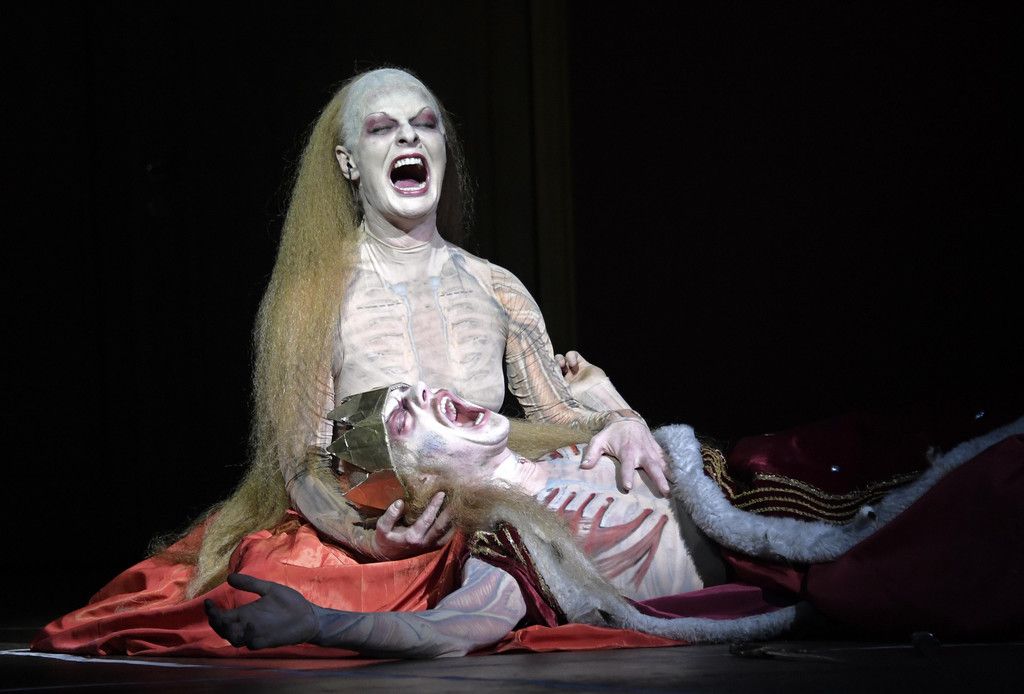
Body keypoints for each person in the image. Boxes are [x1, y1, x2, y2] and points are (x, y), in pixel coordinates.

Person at [188, 66, 668, 600]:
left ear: (442, 149)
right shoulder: (316, 298)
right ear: (349, 163)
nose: (408, 137)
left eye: (425, 124)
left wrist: (622, 420)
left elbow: (556, 414)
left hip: (495, 527)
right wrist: (370, 540)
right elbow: (303, 464)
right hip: (375, 540)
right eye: (381, 128)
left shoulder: (498, 288)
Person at [205, 382, 1024, 657]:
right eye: (408, 417)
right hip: (819, 558)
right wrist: (324, 623)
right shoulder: (512, 541)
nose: (431, 396)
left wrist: (624, 421)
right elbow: (454, 629)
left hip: (798, 472)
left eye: (419, 389)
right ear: (414, 477)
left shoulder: (580, 445)